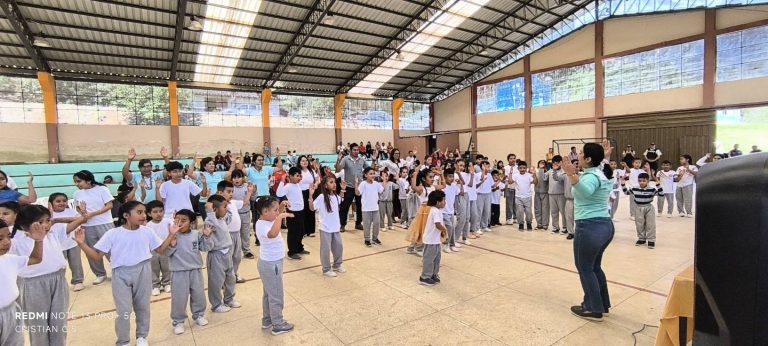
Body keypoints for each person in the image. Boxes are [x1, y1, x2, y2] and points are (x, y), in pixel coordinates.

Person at [74, 201, 175, 346]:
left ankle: (141, 337)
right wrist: (82, 243)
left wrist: (171, 234)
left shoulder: (147, 231)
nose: (143, 215)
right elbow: (96, 256)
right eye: (139, 212)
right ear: (126, 215)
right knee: (124, 310)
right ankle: (123, 341)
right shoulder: (113, 234)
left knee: (143, 306)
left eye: (144, 212)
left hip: (143, 270)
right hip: (121, 274)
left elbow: (160, 250)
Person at [12, 204, 85, 345]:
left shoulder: (53, 233)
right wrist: (37, 238)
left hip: (58, 280)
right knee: (38, 325)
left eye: (47, 220)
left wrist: (56, 221)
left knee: (59, 323)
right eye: (40, 222)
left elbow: (79, 221)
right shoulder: (16, 241)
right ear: (24, 224)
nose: (45, 225)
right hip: (33, 285)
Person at [561, 140, 615, 321]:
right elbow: (599, 175)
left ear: (589, 158)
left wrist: (571, 175)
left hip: (590, 227)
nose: (579, 156)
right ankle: (601, 303)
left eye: (583, 154)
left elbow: (585, 191)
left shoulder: (591, 177)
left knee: (584, 267)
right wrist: (605, 157)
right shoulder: (601, 172)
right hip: (604, 225)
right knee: (594, 267)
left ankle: (593, 308)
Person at [165, 209, 213, 335]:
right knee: (179, 298)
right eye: (177, 219)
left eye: (184, 220)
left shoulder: (196, 234)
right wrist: (172, 243)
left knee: (198, 294)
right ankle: (178, 321)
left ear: (191, 222)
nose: (179, 222)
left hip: (195, 270)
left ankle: (198, 315)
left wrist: (207, 236)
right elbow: (166, 253)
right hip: (179, 271)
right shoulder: (172, 234)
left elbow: (205, 248)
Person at [0, 218, 46, 346]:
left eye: (8, 237)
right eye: (0, 239)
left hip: (12, 311)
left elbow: (36, 258)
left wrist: (39, 240)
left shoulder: (10, 259)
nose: (6, 242)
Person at [254, 197, 295, 335]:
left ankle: (267, 320)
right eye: (275, 210)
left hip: (270, 263)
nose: (278, 212)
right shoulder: (261, 225)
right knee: (276, 294)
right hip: (271, 265)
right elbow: (273, 233)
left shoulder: (267, 219)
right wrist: (281, 216)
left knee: (269, 294)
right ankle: (278, 324)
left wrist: (281, 207)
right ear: (265, 211)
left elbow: (274, 218)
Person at [73, 170, 115, 285]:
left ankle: (117, 269)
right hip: (87, 225)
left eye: (79, 181)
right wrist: (82, 212)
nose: (77, 184)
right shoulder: (77, 193)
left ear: (88, 180)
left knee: (111, 248)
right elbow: (77, 207)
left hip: (104, 222)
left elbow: (109, 205)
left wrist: (93, 213)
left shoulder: (102, 189)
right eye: (75, 182)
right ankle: (100, 274)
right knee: (92, 250)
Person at [204, 194, 241, 313]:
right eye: (224, 207)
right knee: (216, 281)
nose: (226, 209)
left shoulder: (222, 218)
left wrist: (227, 203)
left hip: (227, 253)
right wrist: (209, 210)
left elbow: (229, 216)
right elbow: (211, 218)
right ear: (214, 209)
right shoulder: (210, 221)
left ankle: (229, 299)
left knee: (230, 278)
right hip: (216, 255)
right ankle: (216, 304)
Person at [309, 176, 347, 277]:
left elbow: (340, 200)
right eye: (331, 182)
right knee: (325, 249)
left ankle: (337, 265)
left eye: (334, 182)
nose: (334, 184)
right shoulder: (322, 197)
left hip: (335, 227)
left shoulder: (334, 196)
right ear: (325, 185)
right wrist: (310, 196)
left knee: (338, 247)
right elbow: (312, 208)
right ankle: (326, 269)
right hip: (325, 228)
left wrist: (343, 189)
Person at [49, 192, 87, 292]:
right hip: (57, 244)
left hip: (72, 241)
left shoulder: (71, 211)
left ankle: (78, 281)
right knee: (59, 264)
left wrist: (56, 220)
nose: (62, 203)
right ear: (51, 203)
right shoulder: (48, 214)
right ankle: (59, 283)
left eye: (64, 201)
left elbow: (80, 219)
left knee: (75, 263)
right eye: (58, 201)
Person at [336, 143, 373, 232]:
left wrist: (374, 161)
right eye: (354, 150)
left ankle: (358, 223)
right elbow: (338, 169)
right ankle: (342, 224)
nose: (356, 151)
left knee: (360, 206)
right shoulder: (346, 159)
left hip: (360, 187)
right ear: (350, 150)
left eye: (357, 150)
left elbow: (369, 169)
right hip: (349, 187)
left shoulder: (361, 159)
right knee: (345, 206)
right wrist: (338, 158)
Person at [188, 153, 236, 221]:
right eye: (210, 164)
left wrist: (233, 162)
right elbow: (189, 174)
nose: (212, 165)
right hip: (205, 202)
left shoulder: (218, 174)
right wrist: (193, 161)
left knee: (218, 222)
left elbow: (230, 173)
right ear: (204, 166)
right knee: (209, 222)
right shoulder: (201, 174)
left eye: (213, 164)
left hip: (218, 202)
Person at [622, 173, 664, 249]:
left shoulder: (652, 189)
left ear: (648, 181)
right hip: (638, 208)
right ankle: (642, 238)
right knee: (639, 224)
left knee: (650, 224)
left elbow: (661, 194)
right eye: (640, 181)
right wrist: (623, 183)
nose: (641, 182)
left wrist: (658, 185)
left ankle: (651, 240)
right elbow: (626, 192)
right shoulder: (634, 188)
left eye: (644, 181)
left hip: (649, 208)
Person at [276, 167, 306, 260]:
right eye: (297, 176)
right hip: (292, 212)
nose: (299, 178)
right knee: (293, 232)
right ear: (291, 176)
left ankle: (299, 248)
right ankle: (292, 251)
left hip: (300, 211)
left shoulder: (298, 185)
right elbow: (279, 193)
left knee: (300, 231)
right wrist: (282, 181)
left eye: (300, 176)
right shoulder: (288, 186)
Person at [419, 190, 447, 286]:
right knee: (429, 259)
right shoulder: (434, 211)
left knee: (436, 258)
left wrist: (441, 233)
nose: (445, 202)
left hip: (435, 240)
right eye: (443, 200)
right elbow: (438, 224)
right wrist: (444, 230)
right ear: (438, 202)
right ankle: (425, 277)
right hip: (430, 240)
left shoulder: (438, 211)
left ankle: (433, 274)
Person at [145, 200, 172, 296]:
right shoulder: (148, 226)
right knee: (153, 268)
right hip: (153, 251)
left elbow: (173, 233)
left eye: (161, 211)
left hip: (166, 248)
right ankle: (155, 285)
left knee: (167, 267)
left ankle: (167, 283)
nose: (159, 214)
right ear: (149, 213)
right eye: (155, 212)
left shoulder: (168, 221)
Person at [231, 169, 256, 260]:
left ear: (243, 178)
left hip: (245, 213)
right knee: (234, 234)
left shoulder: (247, 186)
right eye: (234, 177)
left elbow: (253, 198)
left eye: (239, 177)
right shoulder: (230, 188)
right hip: (233, 215)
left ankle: (246, 251)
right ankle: (233, 251)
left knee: (245, 233)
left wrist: (253, 191)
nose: (236, 179)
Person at [357, 167, 384, 247]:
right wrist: (356, 184)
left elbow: (382, 191)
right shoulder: (363, 184)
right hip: (366, 209)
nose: (372, 175)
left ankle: (375, 238)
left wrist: (385, 180)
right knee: (367, 225)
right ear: (366, 175)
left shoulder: (376, 183)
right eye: (370, 174)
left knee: (376, 223)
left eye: (373, 174)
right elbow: (358, 193)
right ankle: (367, 239)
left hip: (375, 208)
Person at [297, 156, 319, 238]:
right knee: (302, 211)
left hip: (311, 192)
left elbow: (317, 179)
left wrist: (316, 184)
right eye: (302, 161)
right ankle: (303, 231)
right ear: (299, 162)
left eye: (306, 160)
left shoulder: (311, 170)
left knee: (311, 210)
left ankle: (311, 230)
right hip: (300, 193)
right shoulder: (298, 171)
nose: (305, 162)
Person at [513, 161, 537, 231]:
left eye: (524, 168)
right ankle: (521, 224)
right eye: (520, 168)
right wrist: (510, 173)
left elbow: (535, 182)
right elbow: (510, 181)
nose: (522, 169)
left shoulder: (529, 175)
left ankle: (529, 223)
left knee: (528, 212)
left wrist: (534, 174)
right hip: (518, 197)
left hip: (528, 197)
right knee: (519, 211)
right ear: (518, 168)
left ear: (526, 168)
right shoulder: (516, 175)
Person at [546, 156, 566, 234]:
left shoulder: (563, 171)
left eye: (558, 163)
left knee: (563, 212)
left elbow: (557, 178)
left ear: (561, 163)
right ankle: (555, 227)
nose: (556, 164)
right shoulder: (549, 171)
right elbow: (544, 178)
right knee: (553, 212)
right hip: (551, 194)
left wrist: (554, 171)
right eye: (554, 163)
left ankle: (565, 227)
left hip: (561, 194)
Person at [475, 161, 493, 233]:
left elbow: (492, 185)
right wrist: (483, 170)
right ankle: (477, 227)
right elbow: (481, 179)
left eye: (488, 166)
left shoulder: (489, 175)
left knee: (487, 211)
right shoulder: (478, 174)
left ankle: (484, 226)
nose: (488, 168)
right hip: (480, 194)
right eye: (486, 166)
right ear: (482, 166)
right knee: (479, 211)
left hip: (488, 194)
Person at [533, 160, 549, 230]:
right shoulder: (535, 172)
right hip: (537, 192)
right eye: (540, 163)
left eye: (543, 163)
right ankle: (539, 224)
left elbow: (544, 180)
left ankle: (545, 224)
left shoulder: (548, 173)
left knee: (545, 209)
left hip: (545, 193)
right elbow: (535, 182)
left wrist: (542, 170)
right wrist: (534, 174)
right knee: (537, 209)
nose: (542, 164)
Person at [503, 154, 518, 225]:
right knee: (509, 203)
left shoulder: (518, 167)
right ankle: (509, 218)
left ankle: (516, 217)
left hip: (517, 187)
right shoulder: (505, 168)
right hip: (509, 187)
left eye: (514, 158)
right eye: (511, 158)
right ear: (508, 160)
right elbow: (505, 178)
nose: (513, 160)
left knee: (516, 203)